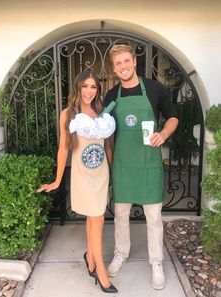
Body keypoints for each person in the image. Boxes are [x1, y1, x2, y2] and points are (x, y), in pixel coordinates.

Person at [105, 44, 179, 290]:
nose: (123, 66)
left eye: (126, 61)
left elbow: (173, 117)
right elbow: (104, 129)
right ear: (114, 68)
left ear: (134, 62)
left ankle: (156, 261)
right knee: (121, 215)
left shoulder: (155, 89)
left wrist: (163, 135)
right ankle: (121, 253)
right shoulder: (111, 96)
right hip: (123, 164)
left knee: (154, 217)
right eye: (118, 63)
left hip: (149, 164)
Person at [37, 69, 118, 293]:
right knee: (97, 218)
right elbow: (63, 149)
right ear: (77, 87)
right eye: (85, 86)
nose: (89, 91)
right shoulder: (68, 114)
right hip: (82, 176)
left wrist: (113, 172)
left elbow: (108, 145)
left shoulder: (102, 112)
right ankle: (99, 269)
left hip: (101, 174)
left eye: (93, 87)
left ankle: (90, 257)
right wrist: (57, 179)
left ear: (97, 89)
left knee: (95, 218)